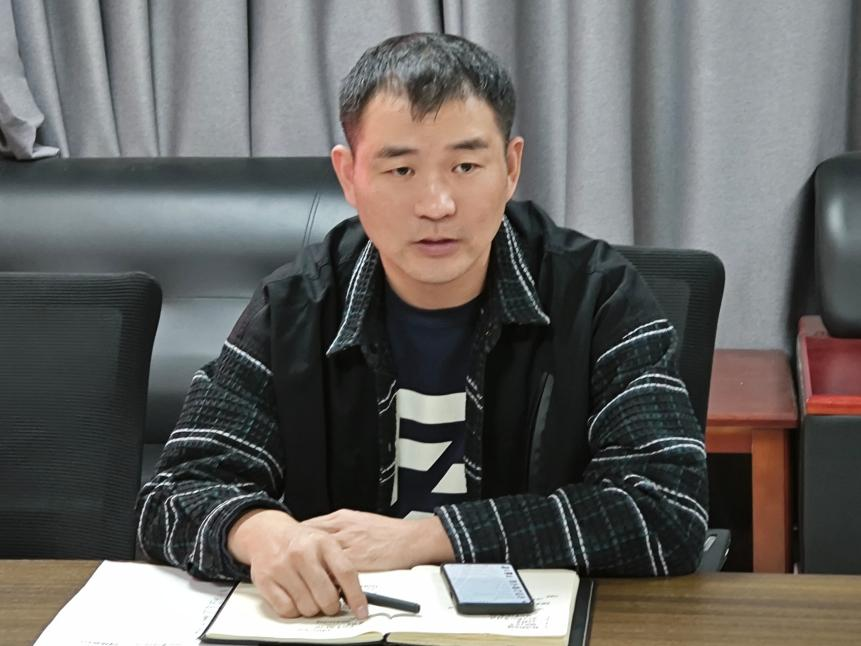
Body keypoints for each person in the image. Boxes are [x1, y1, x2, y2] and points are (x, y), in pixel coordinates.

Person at [136, 32, 708, 621]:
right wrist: (264, 535)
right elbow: (175, 493)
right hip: (349, 626)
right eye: (401, 169)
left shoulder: (598, 296)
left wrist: (431, 537)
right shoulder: (297, 306)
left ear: (511, 167)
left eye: (466, 166)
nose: (436, 204)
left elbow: (668, 510)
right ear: (349, 176)